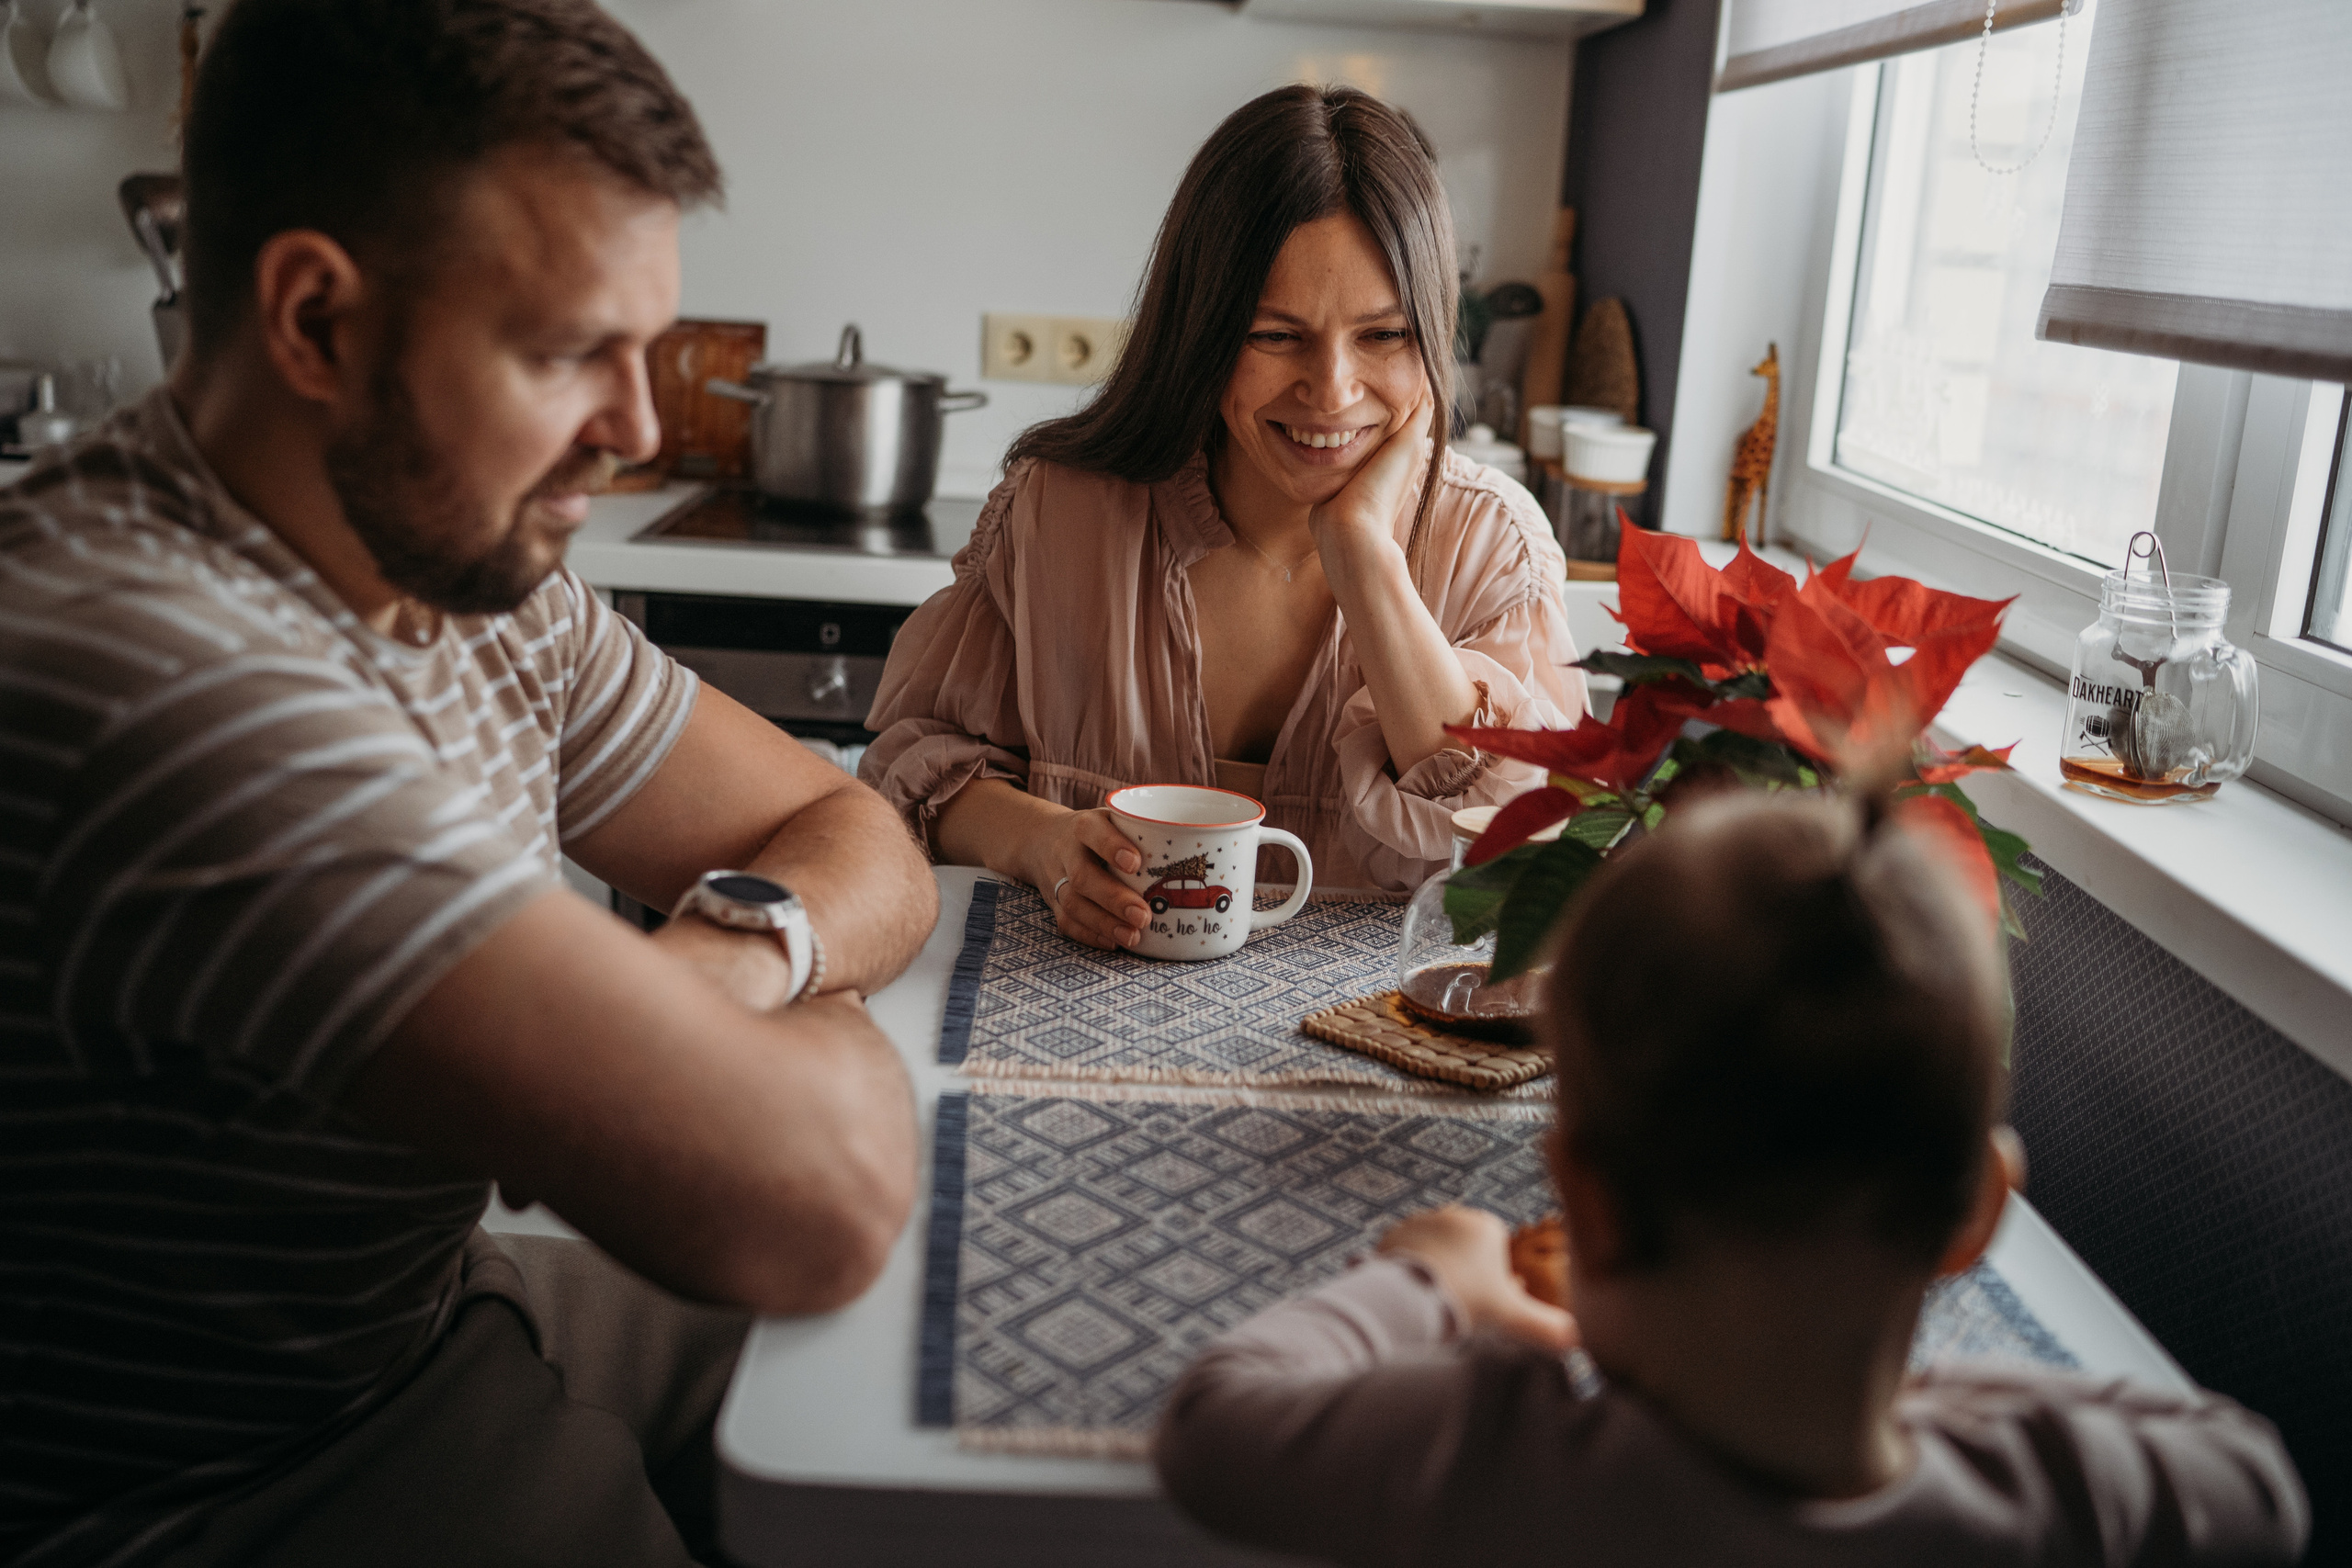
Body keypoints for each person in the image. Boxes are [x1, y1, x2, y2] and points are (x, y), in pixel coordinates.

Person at [0, 2, 937, 1563]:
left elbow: (861, 835)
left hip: (431, 1305)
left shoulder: (471, 569)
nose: (637, 434)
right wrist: (759, 1055)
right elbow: (815, 1196)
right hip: (225, 1483)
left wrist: (729, 957)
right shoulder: (159, 684)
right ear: (316, 324)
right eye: (573, 351)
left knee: (943, 1377)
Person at [1153, 793, 2310, 1565]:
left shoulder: (1505, 1454)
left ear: (1582, 1202)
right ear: (1972, 1216)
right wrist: (1885, 1406)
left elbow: (1215, 1425)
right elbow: (2258, 1482)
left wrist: (1436, 1284)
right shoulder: (2054, 1497)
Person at [861, 85, 1586, 949]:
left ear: (1432, 335)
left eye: (1384, 336)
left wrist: (1364, 557)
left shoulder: (1491, 546)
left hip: (1374, 1054)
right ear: (1201, 333)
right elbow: (921, 767)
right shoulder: (1059, 513)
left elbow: (1511, 847)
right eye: (1275, 336)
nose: (1333, 391)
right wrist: (1041, 841)